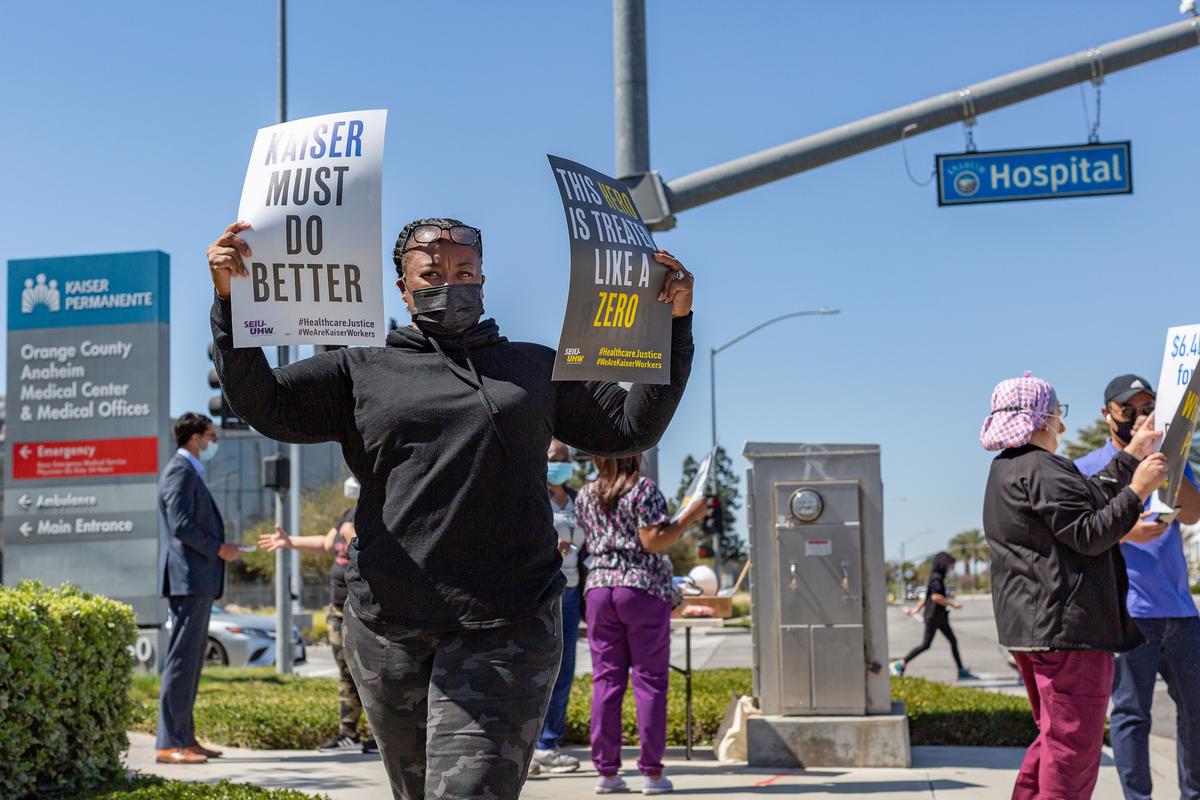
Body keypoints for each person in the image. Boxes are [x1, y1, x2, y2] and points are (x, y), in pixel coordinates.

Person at [206, 217, 695, 800]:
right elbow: (267, 405)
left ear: (484, 278)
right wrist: (230, 302)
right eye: (431, 274)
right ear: (402, 286)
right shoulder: (360, 369)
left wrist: (674, 322)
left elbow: (629, 426)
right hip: (388, 629)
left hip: (508, 626)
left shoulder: (536, 368)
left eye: (463, 272)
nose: (449, 285)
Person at [980, 372, 1168, 800]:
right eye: (1056, 413)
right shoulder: (1043, 468)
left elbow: (1084, 496)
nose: (1060, 425)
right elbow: (1090, 533)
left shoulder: (1010, 468)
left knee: (1052, 739)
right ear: (1041, 418)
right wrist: (1138, 491)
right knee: (1072, 751)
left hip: (1037, 630)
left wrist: (1132, 457)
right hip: (1067, 632)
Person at [1074, 374, 1200, 800]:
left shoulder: (1172, 459)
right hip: (1128, 612)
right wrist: (1126, 533)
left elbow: (1194, 514)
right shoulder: (1087, 468)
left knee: (1196, 712)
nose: (1138, 416)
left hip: (1181, 612)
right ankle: (1138, 798)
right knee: (1131, 714)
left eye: (1147, 408)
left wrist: (1171, 460)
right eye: (1129, 409)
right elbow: (1078, 535)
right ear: (1107, 414)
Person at [575, 454, 706, 795]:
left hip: (600, 589)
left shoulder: (587, 493)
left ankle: (606, 773)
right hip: (641, 590)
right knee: (649, 682)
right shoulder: (643, 489)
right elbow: (653, 542)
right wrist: (688, 517)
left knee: (606, 682)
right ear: (633, 456)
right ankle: (651, 773)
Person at [259, 476, 378, 754]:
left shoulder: (376, 515)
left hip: (363, 611)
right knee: (346, 673)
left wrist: (353, 536)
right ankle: (347, 733)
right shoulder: (348, 515)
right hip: (338, 609)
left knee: (369, 674)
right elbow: (326, 544)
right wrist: (289, 542)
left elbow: (375, 550)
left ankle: (378, 737)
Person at [155, 412, 242, 764]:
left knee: (190, 663)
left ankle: (184, 738)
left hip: (197, 579)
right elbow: (181, 525)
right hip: (188, 579)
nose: (213, 443)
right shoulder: (179, 471)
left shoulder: (189, 471)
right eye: (211, 436)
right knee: (181, 660)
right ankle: (169, 742)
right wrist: (218, 549)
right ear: (195, 439)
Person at [530, 440, 584, 775]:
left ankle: (549, 744)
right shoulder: (532, 494)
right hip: (543, 590)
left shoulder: (578, 499)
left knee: (564, 670)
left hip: (573, 590)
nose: (560, 463)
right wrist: (551, 545)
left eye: (565, 459)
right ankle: (531, 744)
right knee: (536, 667)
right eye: (553, 458)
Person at [889, 552, 977, 680]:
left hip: (939, 617)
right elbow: (935, 597)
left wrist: (916, 608)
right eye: (950, 566)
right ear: (943, 564)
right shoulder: (937, 578)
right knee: (926, 644)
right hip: (934, 617)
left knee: (952, 641)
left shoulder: (936, 577)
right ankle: (899, 664)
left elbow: (927, 597)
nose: (951, 569)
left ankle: (961, 671)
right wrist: (952, 604)